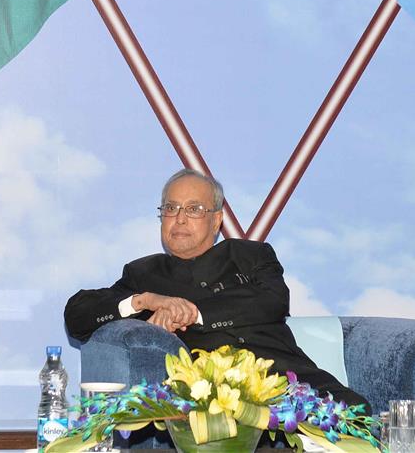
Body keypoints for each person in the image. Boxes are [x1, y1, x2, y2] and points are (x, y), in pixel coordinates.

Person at [64, 168, 368, 409]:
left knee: (359, 414)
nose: (180, 218)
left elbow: (273, 300)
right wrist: (144, 301)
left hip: (290, 381)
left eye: (194, 209)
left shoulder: (251, 255)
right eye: (171, 208)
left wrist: (193, 313)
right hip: (218, 403)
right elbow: (77, 315)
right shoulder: (144, 273)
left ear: (216, 221)